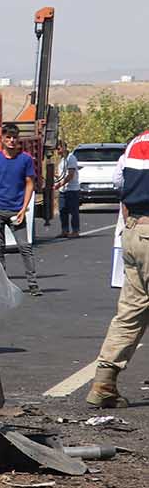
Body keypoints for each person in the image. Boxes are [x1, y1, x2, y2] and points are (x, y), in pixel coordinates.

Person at [87, 132, 149, 407]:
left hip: (134, 231)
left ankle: (103, 382)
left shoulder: (137, 142)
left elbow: (119, 183)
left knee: (130, 313)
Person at [0, 123, 41, 295]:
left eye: (14, 137)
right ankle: (1, 284)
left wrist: (23, 209)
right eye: (7, 137)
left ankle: (33, 284)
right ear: (1, 139)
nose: (11, 140)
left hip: (16, 210)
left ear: (18, 139)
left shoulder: (26, 159)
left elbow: (30, 184)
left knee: (25, 247)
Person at [54, 140, 80, 238]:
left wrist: (60, 184)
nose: (57, 150)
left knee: (73, 211)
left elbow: (70, 175)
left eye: (59, 148)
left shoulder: (71, 158)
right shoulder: (62, 160)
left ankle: (75, 231)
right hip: (63, 190)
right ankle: (64, 230)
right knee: (62, 210)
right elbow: (62, 174)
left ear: (64, 147)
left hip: (72, 189)